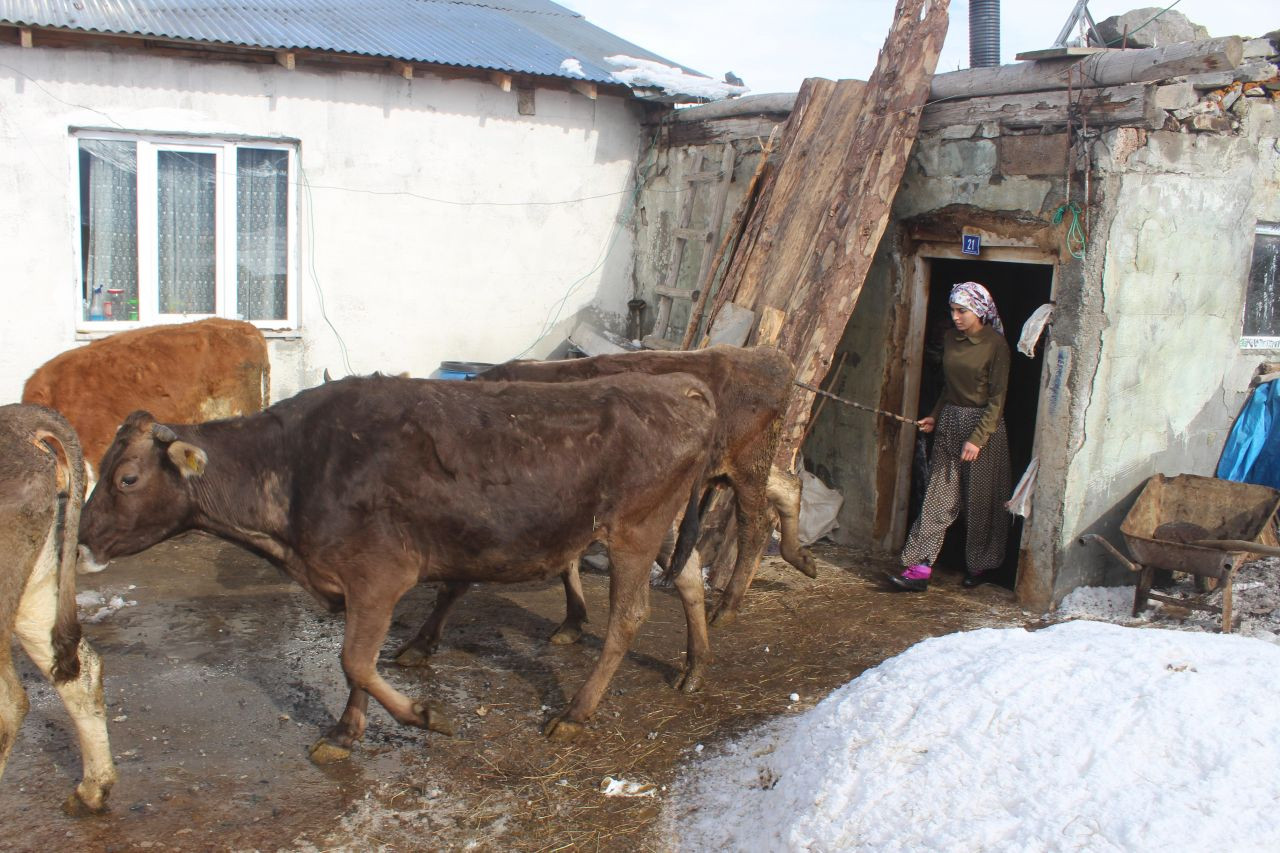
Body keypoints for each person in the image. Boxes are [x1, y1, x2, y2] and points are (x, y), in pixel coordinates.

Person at [890, 281, 1011, 591]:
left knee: (980, 500)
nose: (956, 317)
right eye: (953, 311)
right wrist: (934, 414)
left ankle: (980, 566)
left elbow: (998, 401)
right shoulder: (950, 340)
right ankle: (919, 568)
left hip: (984, 427)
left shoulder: (995, 346)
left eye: (962, 311)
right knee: (938, 496)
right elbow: (948, 386)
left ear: (980, 311)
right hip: (950, 420)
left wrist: (977, 439)